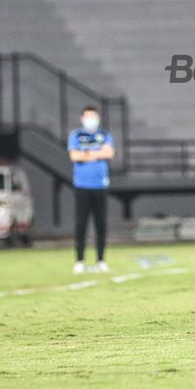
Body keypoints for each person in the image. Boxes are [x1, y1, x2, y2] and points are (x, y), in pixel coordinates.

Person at [67, 106, 115, 274]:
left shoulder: (105, 135)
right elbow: (74, 156)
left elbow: (109, 153)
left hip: (100, 185)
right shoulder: (76, 135)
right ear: (82, 119)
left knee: (100, 224)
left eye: (93, 116)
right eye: (88, 116)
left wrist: (86, 154)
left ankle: (101, 260)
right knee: (81, 224)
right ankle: (80, 261)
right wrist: (97, 153)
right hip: (82, 185)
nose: (91, 119)